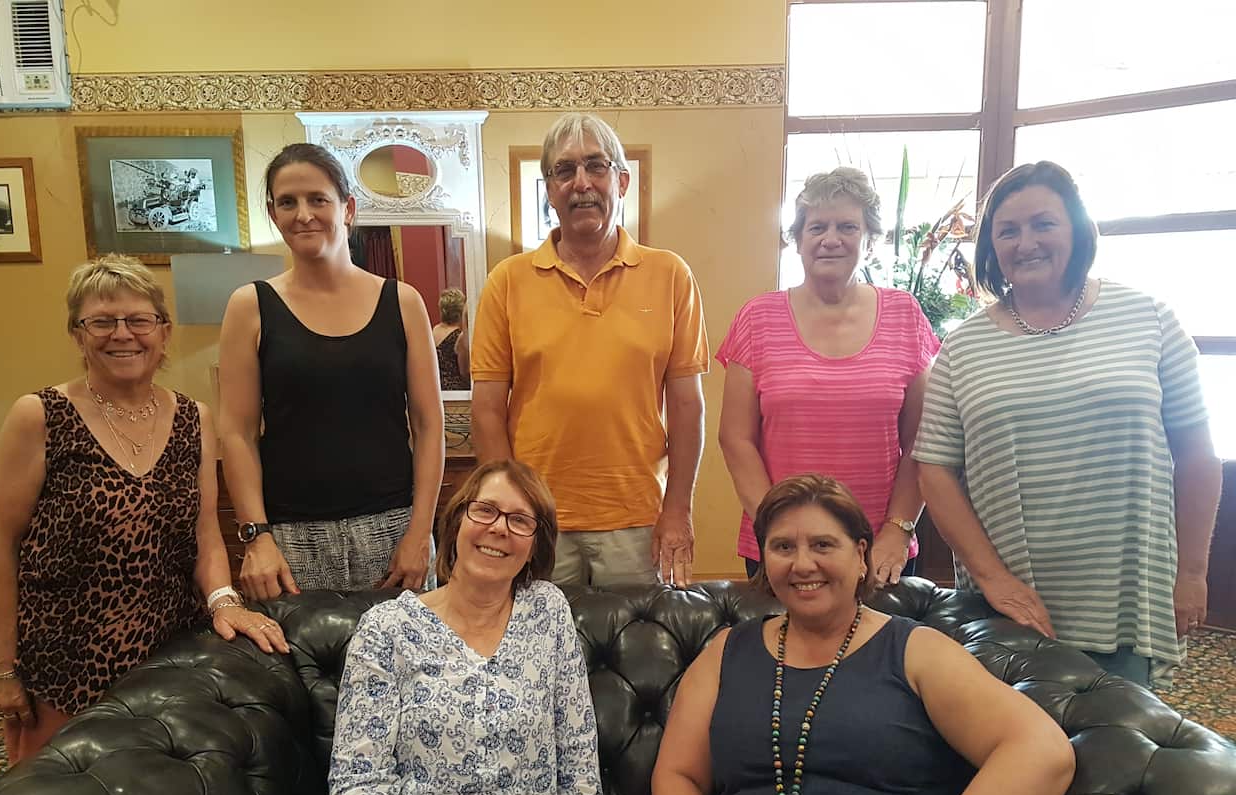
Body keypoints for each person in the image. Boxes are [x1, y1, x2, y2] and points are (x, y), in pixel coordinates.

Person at [651, 474, 1075, 795]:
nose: (802, 563)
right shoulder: (726, 653)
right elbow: (677, 775)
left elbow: (1041, 751)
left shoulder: (916, 651)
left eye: (823, 544)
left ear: (861, 555)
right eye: (782, 546)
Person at [293, 460, 619, 795]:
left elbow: (578, 770)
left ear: (536, 544)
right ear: (456, 523)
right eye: (484, 510)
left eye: (520, 520)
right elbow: (356, 792)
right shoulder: (388, 628)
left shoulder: (548, 614)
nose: (498, 529)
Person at [914, 161, 1222, 689]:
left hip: (1125, 597)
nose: (1025, 241)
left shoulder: (1148, 317)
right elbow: (934, 469)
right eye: (1007, 231)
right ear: (991, 248)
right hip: (1009, 606)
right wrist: (993, 579)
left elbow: (1197, 453)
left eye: (1043, 223)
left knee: (1120, 751)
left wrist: (1192, 571)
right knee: (1010, 749)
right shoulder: (963, 346)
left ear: (1077, 229)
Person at [0, 255, 287, 765]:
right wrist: (0, 669)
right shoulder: (39, 416)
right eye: (101, 321)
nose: (122, 334)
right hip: (63, 666)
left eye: (139, 320)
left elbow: (205, 533)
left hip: (168, 656)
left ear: (163, 332)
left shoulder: (194, 418)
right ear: (78, 335)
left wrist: (224, 600)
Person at [471, 113, 708, 589]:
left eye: (596, 166)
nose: (581, 183)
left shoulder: (670, 275)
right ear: (549, 189)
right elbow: (487, 411)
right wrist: (507, 512)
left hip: (638, 521)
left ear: (621, 181)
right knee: (535, 656)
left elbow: (687, 406)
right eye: (565, 170)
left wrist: (677, 509)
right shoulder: (507, 281)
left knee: (637, 660)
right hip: (536, 521)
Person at [218, 142, 444, 599]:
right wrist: (256, 536)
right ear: (273, 213)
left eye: (318, 199)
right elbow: (237, 433)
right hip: (290, 540)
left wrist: (420, 534)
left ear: (347, 208)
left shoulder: (403, 302)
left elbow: (428, 424)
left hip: (394, 531)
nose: (303, 214)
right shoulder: (250, 306)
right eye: (287, 202)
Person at [718, 167, 940, 585]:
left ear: (869, 239)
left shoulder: (904, 314)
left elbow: (921, 440)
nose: (831, 238)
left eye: (847, 227)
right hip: (782, 549)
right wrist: (778, 533)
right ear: (797, 240)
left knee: (882, 651)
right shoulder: (757, 318)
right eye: (817, 226)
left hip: (877, 548)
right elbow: (735, 439)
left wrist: (898, 528)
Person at [434, 286, 471, 391]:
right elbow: (464, 372)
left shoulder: (434, 331)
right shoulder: (460, 337)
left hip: (437, 389)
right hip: (456, 392)